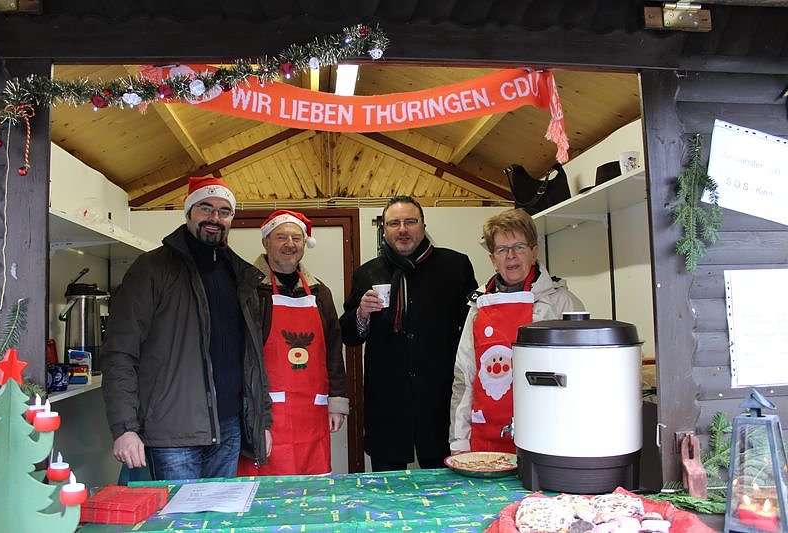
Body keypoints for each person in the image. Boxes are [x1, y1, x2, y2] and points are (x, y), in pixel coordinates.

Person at [102, 176, 272, 481]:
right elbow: (119, 353)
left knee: (218, 524)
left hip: (229, 427)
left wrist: (262, 421)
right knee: (178, 525)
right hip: (173, 433)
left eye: (224, 212)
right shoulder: (151, 269)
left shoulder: (239, 275)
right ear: (189, 212)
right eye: (205, 208)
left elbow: (252, 360)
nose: (215, 218)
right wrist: (125, 428)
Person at [340, 195, 477, 471]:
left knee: (444, 490)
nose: (402, 229)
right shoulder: (367, 273)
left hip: (440, 399)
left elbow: (473, 328)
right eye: (394, 223)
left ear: (423, 226)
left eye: (410, 222)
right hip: (387, 403)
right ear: (384, 229)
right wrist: (361, 314)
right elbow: (349, 335)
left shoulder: (455, 266)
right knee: (386, 493)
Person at [449, 208, 585, 454]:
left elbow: (581, 377)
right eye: (502, 250)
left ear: (534, 252)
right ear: (493, 258)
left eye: (519, 247)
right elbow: (465, 377)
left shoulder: (562, 303)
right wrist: (459, 441)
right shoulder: (478, 306)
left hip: (547, 438)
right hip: (485, 440)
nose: (511, 256)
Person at [238, 209, 348, 476]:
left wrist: (337, 401)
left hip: (313, 412)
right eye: (281, 237)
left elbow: (333, 349)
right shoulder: (249, 289)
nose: (290, 244)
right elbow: (241, 353)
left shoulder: (320, 292)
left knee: (312, 490)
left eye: (296, 238)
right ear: (265, 242)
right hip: (265, 412)